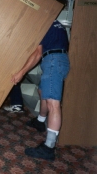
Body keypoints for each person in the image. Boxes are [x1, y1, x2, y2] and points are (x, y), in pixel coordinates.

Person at [11, 20, 70, 161]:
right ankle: (40, 121)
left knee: (53, 104)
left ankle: (49, 147)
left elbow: (37, 53)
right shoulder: (57, 24)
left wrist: (21, 72)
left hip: (53, 61)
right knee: (42, 91)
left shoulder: (43, 24)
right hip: (59, 59)